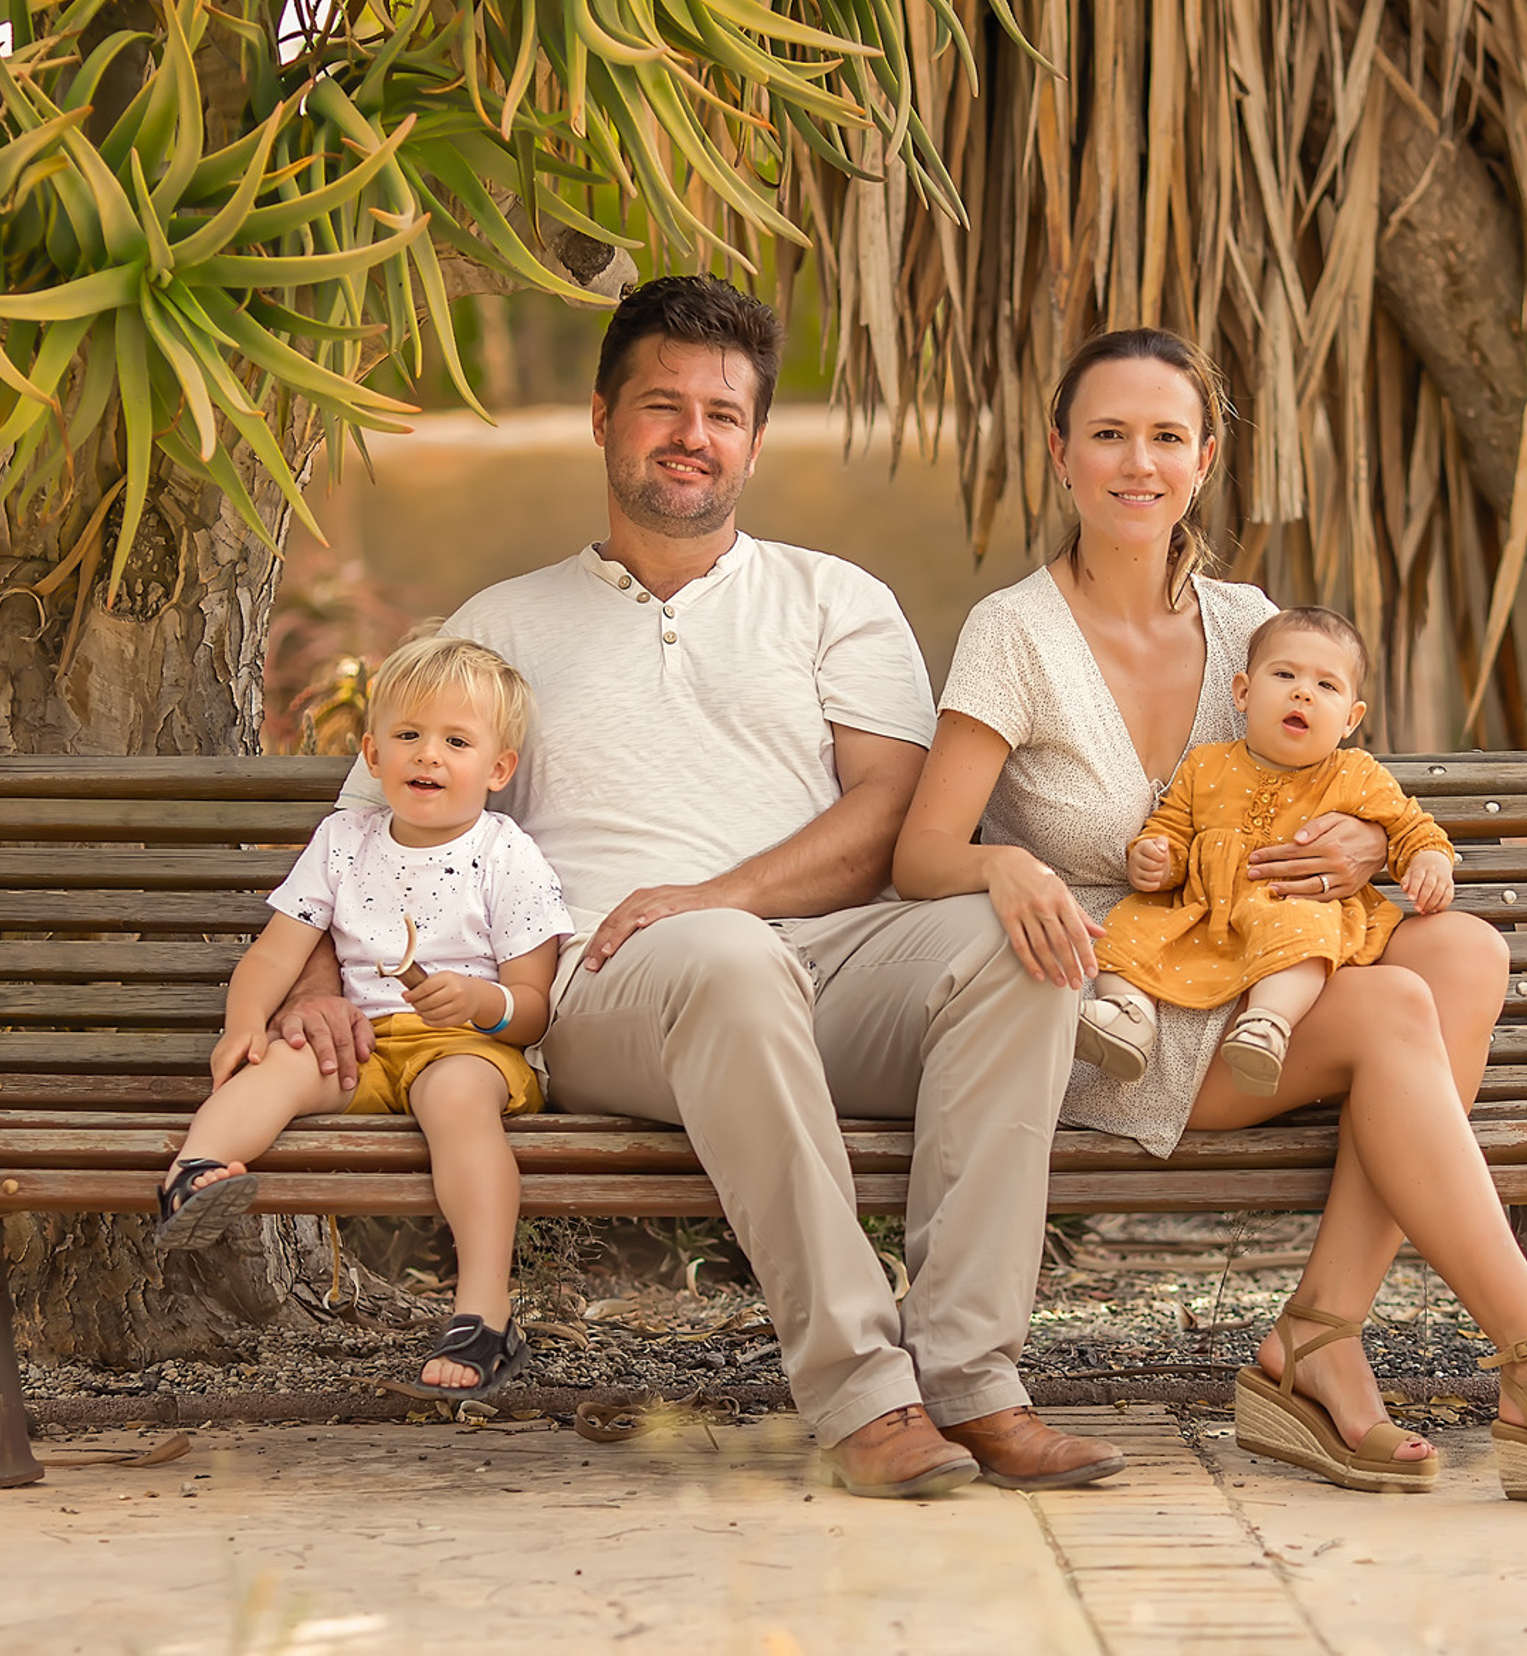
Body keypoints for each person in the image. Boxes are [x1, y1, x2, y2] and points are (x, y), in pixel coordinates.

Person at [269, 276, 1124, 1499]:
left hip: (820, 963)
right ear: (603, 419)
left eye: (723, 414)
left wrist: (722, 891)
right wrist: (314, 982)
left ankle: (973, 1381)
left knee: (1015, 949)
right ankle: (865, 1394)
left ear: (755, 442)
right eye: (662, 406)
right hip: (612, 985)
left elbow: (888, 811)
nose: (693, 435)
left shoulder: (836, 600)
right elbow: (363, 830)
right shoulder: (502, 624)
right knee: (727, 960)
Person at [894, 327, 1527, 1508]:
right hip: (1112, 1008)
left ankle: (1321, 1332)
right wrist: (1003, 870)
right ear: (1059, 452)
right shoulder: (1014, 632)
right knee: (1395, 1011)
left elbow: (1340, 786)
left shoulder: (1249, 622)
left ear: (1205, 459)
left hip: (1263, 978)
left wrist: (1361, 846)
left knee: (1463, 950)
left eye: (1167, 437)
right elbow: (922, 853)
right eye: (1108, 435)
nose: (1138, 463)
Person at [157, 636, 573, 1401]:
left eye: (457, 741)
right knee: (282, 1062)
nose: (429, 754)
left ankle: (484, 1311)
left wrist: (480, 1003)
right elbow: (275, 955)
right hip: (365, 1044)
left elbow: (533, 1009)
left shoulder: (507, 856)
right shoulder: (343, 842)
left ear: (499, 768)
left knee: (457, 1101)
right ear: (373, 755)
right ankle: (197, 1172)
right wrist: (244, 1024)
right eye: (409, 735)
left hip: (466, 1049)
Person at [1083, 605, 1457, 1096]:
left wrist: (1429, 860)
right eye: (1284, 675)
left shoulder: (1354, 774)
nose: (1303, 692)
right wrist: (1157, 858)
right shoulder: (1206, 764)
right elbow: (1171, 828)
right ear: (1243, 692)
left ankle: (1267, 1024)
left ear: (1351, 718)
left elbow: (1411, 827)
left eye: (1327, 685)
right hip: (1203, 913)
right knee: (1130, 924)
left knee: (1306, 925)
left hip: (1289, 905)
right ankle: (1128, 1015)